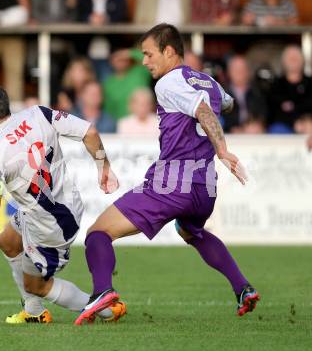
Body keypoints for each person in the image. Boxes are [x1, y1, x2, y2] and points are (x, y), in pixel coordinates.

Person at [75, 24, 260, 325]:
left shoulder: (167, 82)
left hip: (174, 181)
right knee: (190, 231)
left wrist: (223, 149)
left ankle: (102, 291)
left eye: (148, 54)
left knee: (98, 233)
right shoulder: (209, 81)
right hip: (205, 185)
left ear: (170, 51)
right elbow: (225, 103)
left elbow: (204, 111)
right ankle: (243, 288)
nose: (144, 61)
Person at [0, 81, 126, 324]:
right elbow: (89, 132)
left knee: (36, 285)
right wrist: (104, 167)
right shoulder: (39, 113)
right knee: (7, 241)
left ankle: (107, 309)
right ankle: (34, 313)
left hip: (49, 226)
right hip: (63, 206)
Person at [267, 45, 312, 133]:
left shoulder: (310, 84)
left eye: (296, 57)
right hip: (283, 127)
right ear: (283, 62)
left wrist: (305, 121)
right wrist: (294, 122)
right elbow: (272, 112)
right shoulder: (275, 85)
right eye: (290, 58)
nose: (293, 60)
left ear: (303, 61)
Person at [103, 48, 151, 121]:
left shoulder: (139, 72)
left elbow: (149, 59)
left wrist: (129, 53)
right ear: (111, 61)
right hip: (123, 124)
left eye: (123, 59)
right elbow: (109, 109)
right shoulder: (109, 83)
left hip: (146, 121)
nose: (121, 61)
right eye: (117, 58)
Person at [223, 55, 268, 133]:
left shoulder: (258, 92)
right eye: (235, 69)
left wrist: (259, 124)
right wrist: (232, 129)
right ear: (229, 72)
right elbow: (219, 119)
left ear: (248, 72)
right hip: (229, 136)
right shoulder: (221, 94)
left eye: (242, 69)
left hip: (255, 134)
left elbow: (264, 114)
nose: (239, 72)